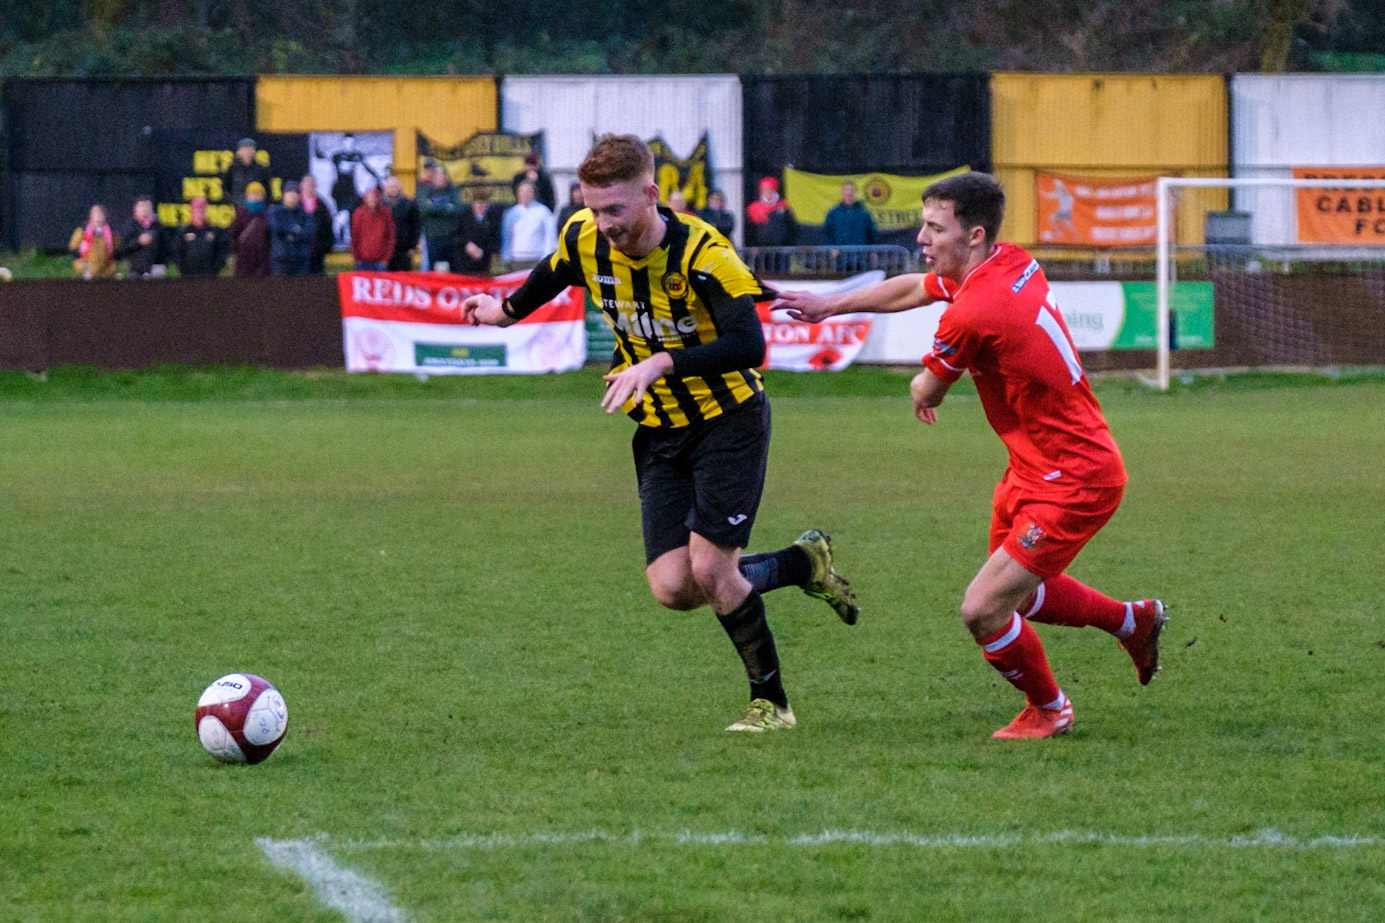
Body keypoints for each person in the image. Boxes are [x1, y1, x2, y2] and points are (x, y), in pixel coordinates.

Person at [461, 134, 859, 734]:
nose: (604, 223)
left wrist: (661, 362)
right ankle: (803, 564)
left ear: (651, 194)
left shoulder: (704, 253)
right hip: (659, 430)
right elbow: (554, 272)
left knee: (713, 568)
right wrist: (504, 313)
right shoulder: (585, 237)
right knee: (674, 587)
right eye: (593, 208)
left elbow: (748, 344)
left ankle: (772, 704)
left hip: (729, 421)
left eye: (615, 209)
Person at [777, 172, 1166, 741]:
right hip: (1032, 467)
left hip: (1076, 477)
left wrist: (921, 390)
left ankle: (1050, 709)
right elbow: (914, 287)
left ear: (975, 234)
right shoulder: (1007, 261)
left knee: (983, 609)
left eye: (935, 228)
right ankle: (1134, 621)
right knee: (1019, 598)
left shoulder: (976, 310)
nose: (922, 239)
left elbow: (924, 390)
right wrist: (830, 304)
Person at [823, 181, 878, 271]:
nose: (849, 193)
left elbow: (871, 233)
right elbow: (827, 233)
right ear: (842, 193)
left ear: (855, 193)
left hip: (861, 259)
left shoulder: (864, 213)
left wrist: (872, 250)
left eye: (852, 190)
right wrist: (831, 247)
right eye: (846, 190)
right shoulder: (833, 213)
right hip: (841, 260)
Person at [500, 181, 558, 265]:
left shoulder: (544, 211)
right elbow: (506, 237)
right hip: (516, 259)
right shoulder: (511, 213)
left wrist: (546, 257)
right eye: (522, 191)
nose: (525, 194)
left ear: (534, 193)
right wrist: (506, 257)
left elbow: (550, 236)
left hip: (537, 258)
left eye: (528, 191)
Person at [418, 163, 463, 271]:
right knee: (431, 271)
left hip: (451, 239)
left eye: (442, 175)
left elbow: (458, 208)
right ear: (433, 178)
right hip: (433, 239)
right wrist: (446, 207)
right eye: (437, 176)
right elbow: (423, 208)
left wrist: (433, 206)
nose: (440, 178)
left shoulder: (453, 190)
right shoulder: (426, 190)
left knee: (453, 272)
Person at [173, 197, 230, 277]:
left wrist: (215, 269)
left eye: (202, 209)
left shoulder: (215, 231)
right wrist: (183, 270)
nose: (199, 212)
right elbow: (176, 252)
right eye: (197, 209)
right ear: (192, 210)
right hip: (188, 277)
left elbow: (222, 252)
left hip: (209, 277)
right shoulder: (184, 231)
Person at [268, 180, 313, 276]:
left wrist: (290, 233)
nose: (292, 196)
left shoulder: (304, 214)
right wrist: (294, 230)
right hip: (281, 260)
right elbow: (275, 228)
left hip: (300, 260)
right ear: (284, 194)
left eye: (295, 193)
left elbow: (309, 232)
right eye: (289, 192)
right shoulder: (275, 212)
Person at [114, 196, 165, 278]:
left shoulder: (158, 225)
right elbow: (121, 249)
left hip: (154, 270)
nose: (145, 209)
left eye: (147, 206)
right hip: (134, 271)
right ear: (135, 209)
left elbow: (165, 247)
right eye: (141, 206)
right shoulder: (129, 225)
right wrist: (138, 242)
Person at [229, 182, 271, 277]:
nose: (255, 196)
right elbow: (234, 235)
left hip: (262, 260)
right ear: (247, 196)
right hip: (243, 259)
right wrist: (238, 252)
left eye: (258, 193)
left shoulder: (267, 214)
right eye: (252, 194)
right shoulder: (240, 214)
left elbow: (270, 238)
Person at [350, 186, 396, 271]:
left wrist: (385, 259)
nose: (372, 200)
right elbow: (355, 237)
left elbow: (390, 237)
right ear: (365, 199)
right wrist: (356, 258)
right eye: (370, 198)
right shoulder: (358, 213)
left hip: (380, 262)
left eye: (374, 197)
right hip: (362, 261)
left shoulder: (386, 213)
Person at [456, 188, 501, 275]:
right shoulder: (463, 216)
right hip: (465, 262)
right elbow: (456, 236)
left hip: (484, 262)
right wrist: (467, 244)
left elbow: (495, 239)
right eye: (478, 203)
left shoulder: (493, 218)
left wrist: (482, 251)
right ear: (473, 204)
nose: (480, 206)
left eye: (483, 203)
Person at [68, 204, 119, 279]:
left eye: (100, 213)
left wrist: (112, 267)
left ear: (105, 216)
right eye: (95, 213)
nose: (98, 216)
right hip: (87, 272)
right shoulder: (82, 231)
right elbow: (73, 249)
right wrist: (81, 265)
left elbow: (117, 250)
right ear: (90, 216)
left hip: (106, 272)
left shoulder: (112, 233)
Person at [745, 176, 797, 247]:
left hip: (781, 248)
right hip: (761, 250)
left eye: (770, 189)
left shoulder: (784, 206)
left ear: (775, 190)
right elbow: (750, 230)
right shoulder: (754, 208)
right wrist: (752, 246)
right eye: (765, 190)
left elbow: (792, 228)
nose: (767, 192)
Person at [382, 176, 421, 272]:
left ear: (399, 188)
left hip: (404, 249)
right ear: (385, 189)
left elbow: (416, 227)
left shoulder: (409, 204)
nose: (392, 189)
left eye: (395, 187)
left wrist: (412, 247)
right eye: (390, 187)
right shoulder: (380, 205)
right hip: (384, 250)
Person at [221, 138, 273, 208]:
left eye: (251, 149)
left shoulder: (261, 170)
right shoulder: (232, 169)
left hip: (257, 208)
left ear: (255, 151)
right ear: (238, 152)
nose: (248, 152)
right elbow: (226, 189)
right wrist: (232, 202)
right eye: (245, 149)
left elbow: (268, 191)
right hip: (237, 208)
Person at [300, 174, 336, 275]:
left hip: (317, 251)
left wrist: (327, 246)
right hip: (298, 252)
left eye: (312, 184)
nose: (309, 187)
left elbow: (328, 227)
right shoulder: (297, 204)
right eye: (307, 184)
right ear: (302, 186)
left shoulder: (322, 205)